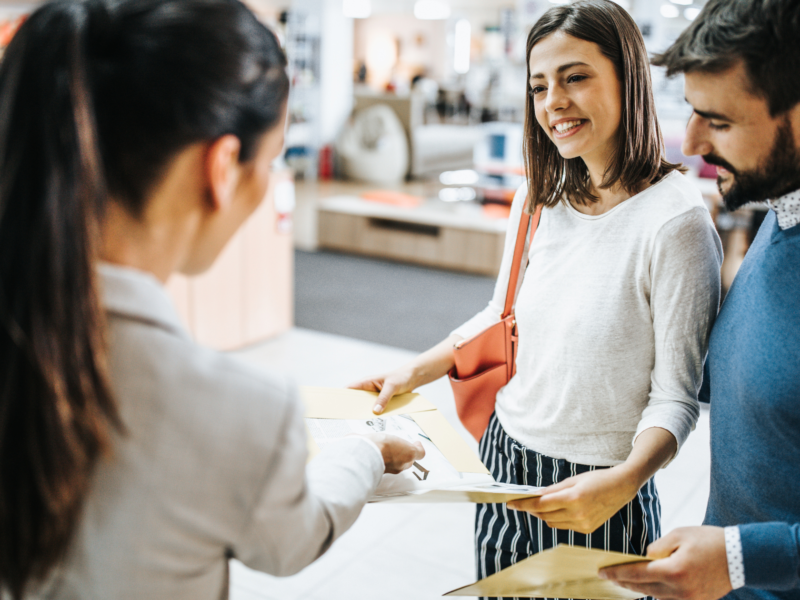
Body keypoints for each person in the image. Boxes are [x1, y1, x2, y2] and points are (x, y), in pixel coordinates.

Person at [0, 1, 424, 598]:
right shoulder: (233, 408)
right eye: (270, 162)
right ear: (222, 166)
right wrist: (367, 451)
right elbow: (291, 539)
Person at [351, 0, 722, 595]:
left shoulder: (675, 222)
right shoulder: (539, 196)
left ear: (628, 77)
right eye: (539, 85)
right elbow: (503, 315)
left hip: (603, 489)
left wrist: (625, 481)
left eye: (575, 77)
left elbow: (676, 398)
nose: (554, 102)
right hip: (507, 465)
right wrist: (414, 370)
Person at [600, 1, 800, 599]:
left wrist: (741, 558)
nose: (690, 142)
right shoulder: (782, 208)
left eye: (718, 120)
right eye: (691, 110)